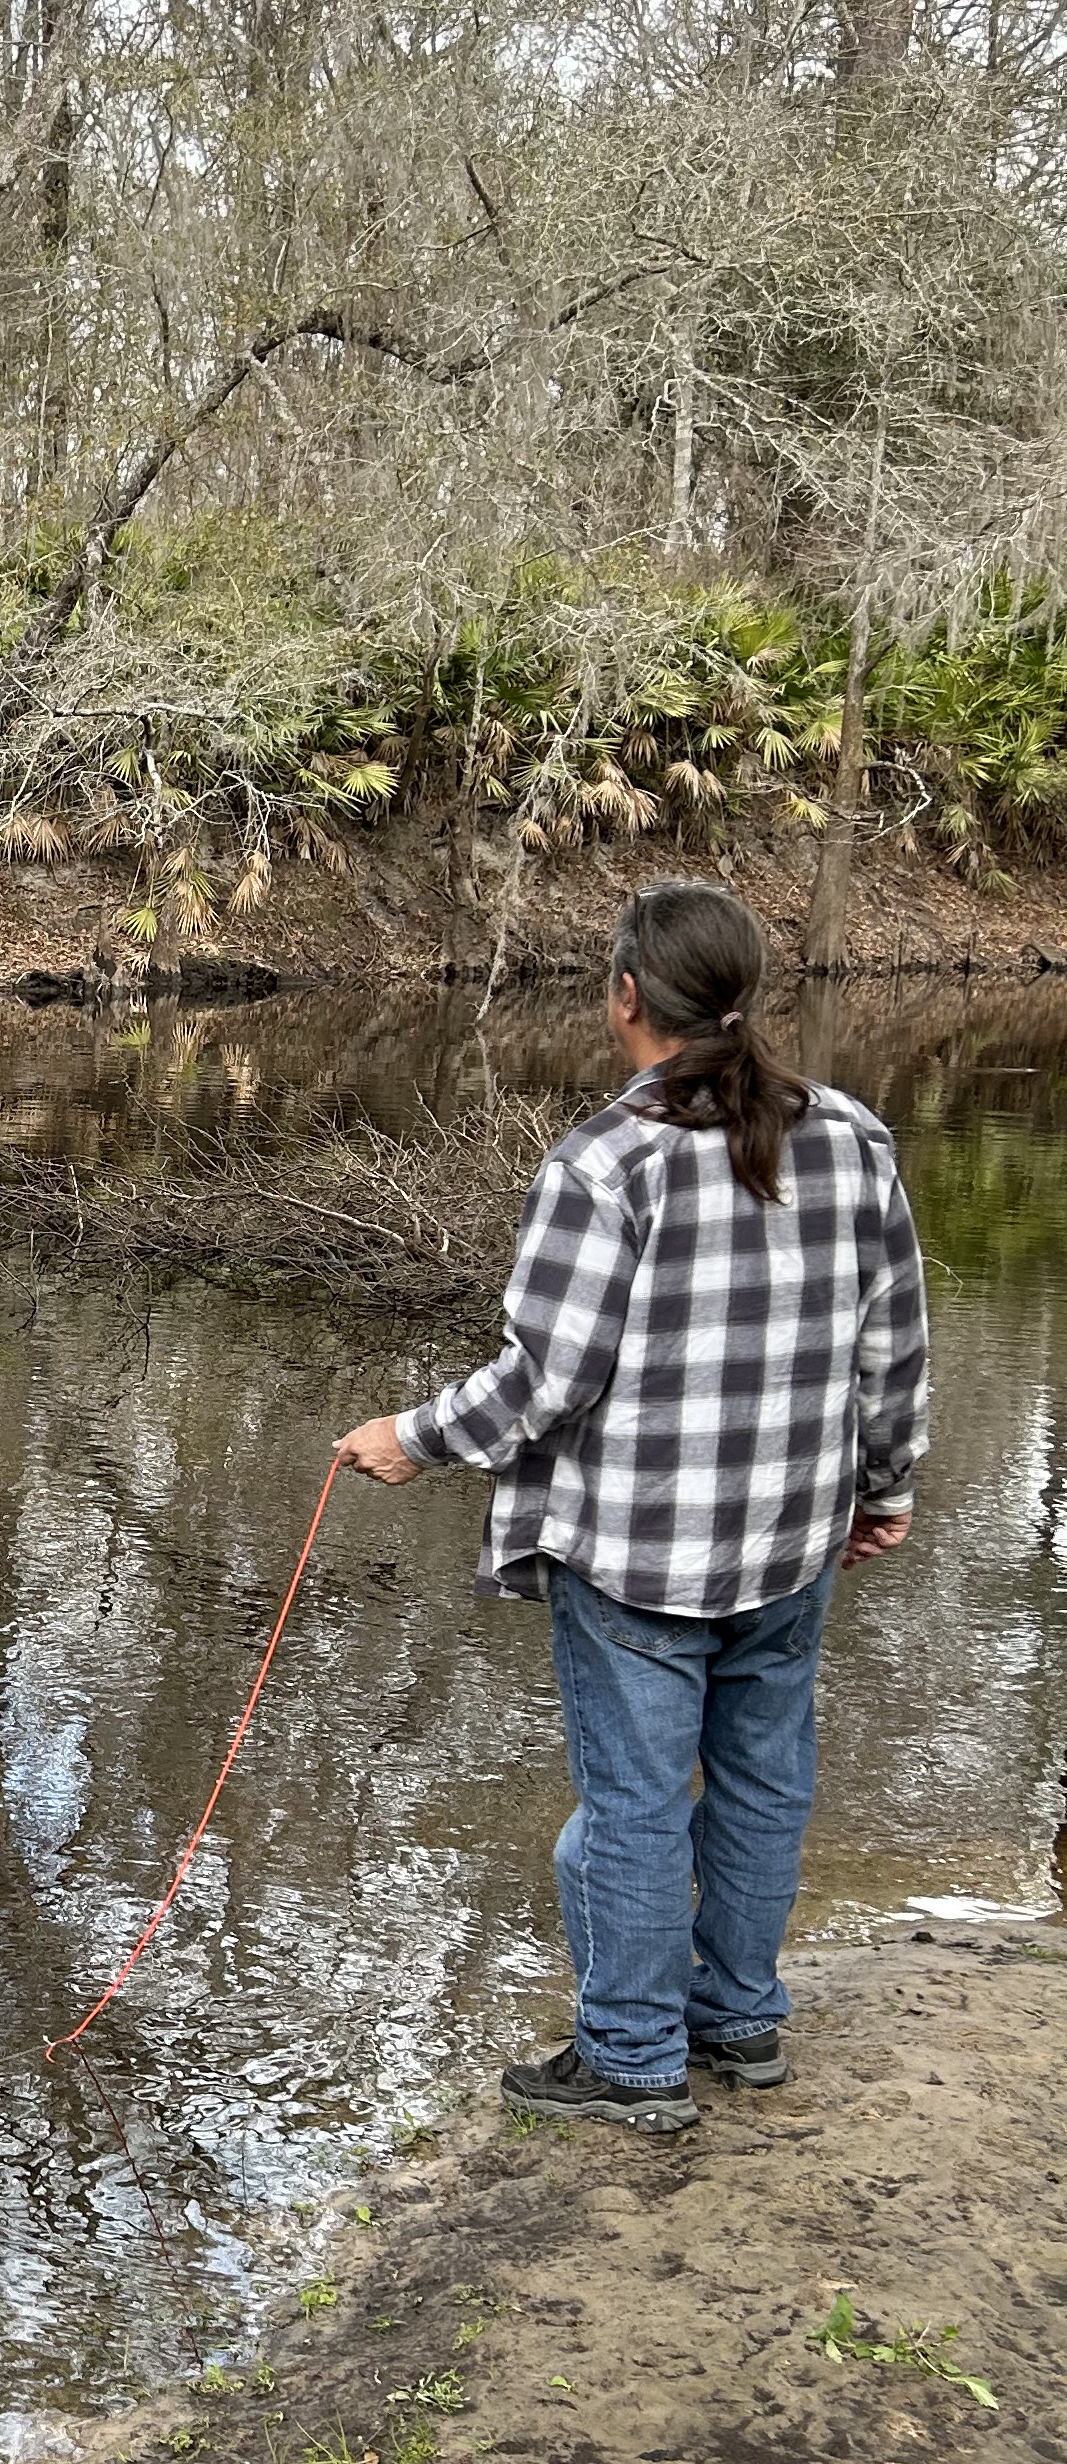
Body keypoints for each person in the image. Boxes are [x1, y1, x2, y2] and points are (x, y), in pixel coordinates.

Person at [332, 880, 929, 2135]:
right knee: (763, 1783)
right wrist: (886, 1486)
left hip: (636, 1557)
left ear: (625, 998)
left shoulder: (604, 1160)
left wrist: (413, 1439)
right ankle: (740, 2024)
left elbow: (548, 1378)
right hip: (792, 1534)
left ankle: (632, 2059)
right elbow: (892, 1344)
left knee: (638, 1805)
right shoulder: (854, 1136)